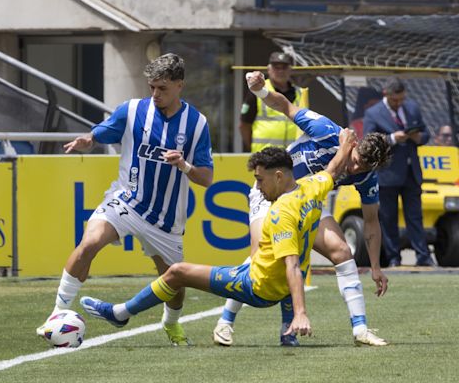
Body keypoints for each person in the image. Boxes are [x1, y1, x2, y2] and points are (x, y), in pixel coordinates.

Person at [79, 132, 358, 345]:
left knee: (177, 272)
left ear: (278, 176)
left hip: (256, 287)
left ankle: (121, 313)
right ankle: (287, 334)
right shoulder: (311, 187)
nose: (257, 188)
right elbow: (332, 170)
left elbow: (292, 266)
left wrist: (301, 313)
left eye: (260, 180)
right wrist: (346, 144)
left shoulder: (281, 211)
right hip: (278, 285)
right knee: (279, 258)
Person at [36, 53, 214, 346]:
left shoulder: (196, 124)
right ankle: (57, 315)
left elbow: (206, 178)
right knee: (88, 244)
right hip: (126, 201)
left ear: (180, 85)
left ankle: (171, 324)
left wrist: (184, 166)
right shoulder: (132, 110)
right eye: (152, 87)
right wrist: (89, 140)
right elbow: (103, 132)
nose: (155, 94)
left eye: (163, 88)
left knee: (175, 283)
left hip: (166, 220)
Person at [213, 71, 391, 348]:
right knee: (261, 253)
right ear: (353, 144)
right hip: (270, 194)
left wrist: (376, 267)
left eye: (363, 168)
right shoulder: (328, 132)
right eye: (355, 161)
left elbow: (371, 222)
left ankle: (360, 329)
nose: (354, 169)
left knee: (342, 251)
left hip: (307, 204)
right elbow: (287, 106)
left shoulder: (367, 177)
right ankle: (225, 323)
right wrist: (260, 91)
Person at [363, 77, 434, 268]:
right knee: (388, 218)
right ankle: (394, 258)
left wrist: (419, 137)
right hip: (387, 173)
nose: (399, 103)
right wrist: (393, 138)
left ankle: (423, 257)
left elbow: (426, 133)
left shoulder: (412, 107)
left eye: (401, 99)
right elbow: (369, 141)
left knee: (415, 217)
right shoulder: (373, 113)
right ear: (386, 93)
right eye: (395, 100)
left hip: (412, 172)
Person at [239, 52, 308, 152]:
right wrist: (252, 149)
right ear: (269, 69)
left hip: (294, 155)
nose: (280, 71)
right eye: (276, 67)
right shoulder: (258, 90)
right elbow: (244, 125)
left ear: (290, 70)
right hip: (265, 156)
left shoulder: (301, 93)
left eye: (284, 67)